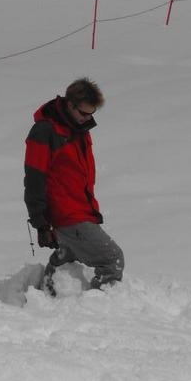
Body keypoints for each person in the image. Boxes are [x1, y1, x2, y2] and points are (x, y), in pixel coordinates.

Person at [24, 77, 124, 294]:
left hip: (81, 210)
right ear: (70, 104)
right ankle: (105, 308)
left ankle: (45, 296)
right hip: (67, 214)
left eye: (92, 114)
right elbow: (34, 178)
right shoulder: (45, 131)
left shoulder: (78, 129)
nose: (87, 118)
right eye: (83, 113)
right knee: (112, 259)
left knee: (67, 256)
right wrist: (41, 223)